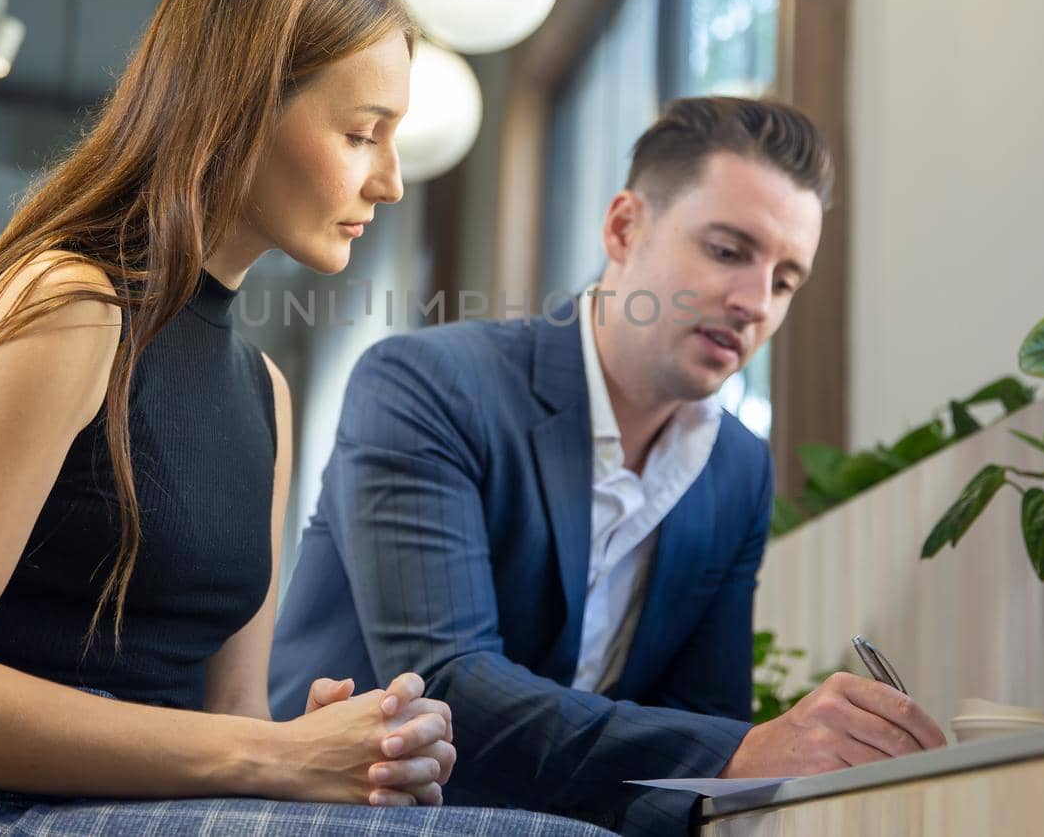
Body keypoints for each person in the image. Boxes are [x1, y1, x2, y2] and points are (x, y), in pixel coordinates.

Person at [0, 0, 610, 837]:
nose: (389, 183)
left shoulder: (266, 392)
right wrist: (274, 759)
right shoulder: (72, 305)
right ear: (239, 107)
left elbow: (230, 725)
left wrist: (319, 752)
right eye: (361, 133)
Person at [270, 96, 948, 836]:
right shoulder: (427, 384)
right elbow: (444, 686)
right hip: (355, 816)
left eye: (785, 280)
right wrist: (745, 748)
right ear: (624, 227)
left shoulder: (734, 470)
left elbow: (698, 732)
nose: (755, 301)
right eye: (727, 250)